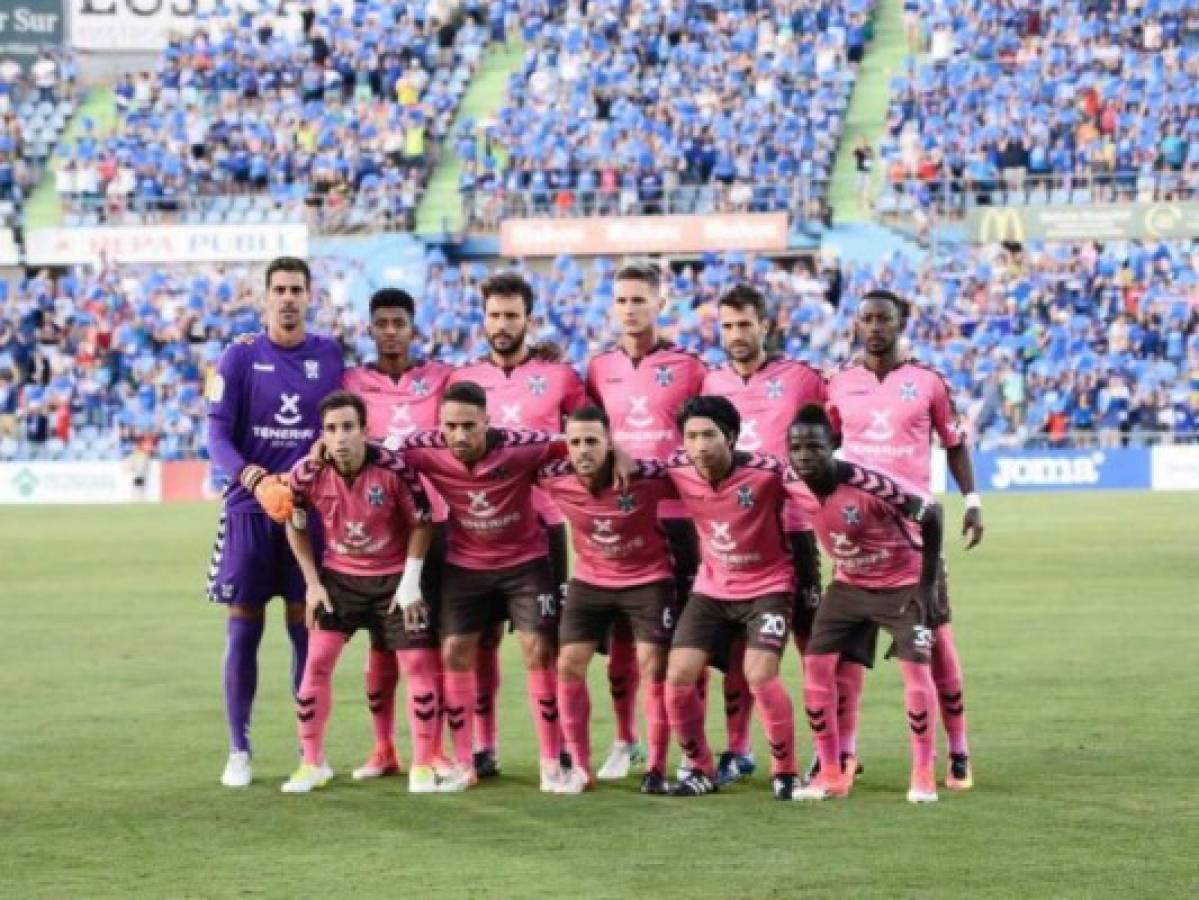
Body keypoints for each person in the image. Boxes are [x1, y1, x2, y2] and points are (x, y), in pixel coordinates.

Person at [826, 289, 983, 791]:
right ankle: (845, 755)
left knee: (937, 644)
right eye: (867, 319)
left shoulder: (928, 381)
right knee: (851, 654)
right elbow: (823, 447)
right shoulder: (839, 383)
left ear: (901, 323)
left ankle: (957, 752)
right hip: (855, 538)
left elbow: (955, 444)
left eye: (883, 319)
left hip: (917, 540)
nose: (874, 327)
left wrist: (973, 501)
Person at [205, 256, 344, 788]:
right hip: (249, 507)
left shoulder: (328, 355)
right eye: (279, 289)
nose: (288, 297)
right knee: (243, 624)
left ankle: (310, 750)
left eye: (297, 289)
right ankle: (238, 749)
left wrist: (305, 472)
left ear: (310, 296)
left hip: (308, 510)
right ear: (264, 297)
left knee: (304, 625)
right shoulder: (238, 357)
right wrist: (256, 479)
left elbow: (345, 417)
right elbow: (217, 435)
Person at [393, 381, 569, 791]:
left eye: (469, 426)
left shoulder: (523, 444)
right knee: (454, 651)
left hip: (526, 563)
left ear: (488, 422)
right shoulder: (422, 447)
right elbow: (378, 453)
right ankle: (464, 763)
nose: (459, 435)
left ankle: (550, 762)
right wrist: (320, 451)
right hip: (465, 565)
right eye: (450, 426)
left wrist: (619, 452)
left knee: (538, 649)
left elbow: (576, 443)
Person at [449, 271, 587, 778]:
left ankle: (558, 751)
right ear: (483, 318)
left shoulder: (561, 377)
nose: (502, 324)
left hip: (543, 528)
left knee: (541, 644)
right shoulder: (461, 381)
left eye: (512, 315)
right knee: (479, 641)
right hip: (476, 531)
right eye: (494, 315)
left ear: (528, 319)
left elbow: (586, 437)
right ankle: (484, 748)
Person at [785, 404, 943, 804]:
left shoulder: (871, 484)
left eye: (814, 447)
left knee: (915, 671)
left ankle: (923, 771)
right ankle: (831, 773)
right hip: (848, 585)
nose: (804, 455)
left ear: (833, 445)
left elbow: (933, 514)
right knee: (816, 667)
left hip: (902, 583)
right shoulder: (789, 478)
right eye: (796, 447)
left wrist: (926, 588)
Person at [585, 260, 706, 781]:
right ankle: (625, 739)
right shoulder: (597, 368)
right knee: (618, 641)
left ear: (660, 304)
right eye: (622, 300)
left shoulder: (690, 367)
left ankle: (689, 743)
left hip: (678, 518)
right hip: (614, 519)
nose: (630, 309)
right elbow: (582, 430)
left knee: (684, 639)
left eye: (640, 299)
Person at [701, 284, 825, 785]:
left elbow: (833, 430)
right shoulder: (709, 382)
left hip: (792, 530)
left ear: (765, 325)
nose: (736, 335)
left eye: (745, 324)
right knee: (736, 648)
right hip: (730, 536)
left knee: (811, 643)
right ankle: (738, 748)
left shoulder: (801, 379)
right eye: (728, 326)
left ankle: (830, 749)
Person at [282, 391, 436, 793]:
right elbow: (294, 522)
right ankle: (312, 763)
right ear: (323, 434)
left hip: (392, 579)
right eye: (332, 429)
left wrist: (409, 583)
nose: (341, 437)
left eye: (349, 427)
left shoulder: (394, 469)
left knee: (417, 665)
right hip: (339, 581)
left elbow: (423, 522)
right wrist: (312, 584)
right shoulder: (306, 473)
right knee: (316, 663)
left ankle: (421, 765)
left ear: (366, 431)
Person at [662, 396, 800, 800]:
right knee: (678, 677)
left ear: (732, 437)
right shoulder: (677, 472)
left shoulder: (769, 473)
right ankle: (700, 768)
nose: (700, 445)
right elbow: (630, 469)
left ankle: (785, 772)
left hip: (769, 586)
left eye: (709, 435)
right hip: (712, 589)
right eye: (691, 437)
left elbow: (818, 483)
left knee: (759, 674)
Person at [341, 288, 454, 781]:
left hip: (432, 524)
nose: (390, 331)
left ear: (413, 328)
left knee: (432, 641)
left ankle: (436, 750)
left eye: (398, 323)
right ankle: (384, 748)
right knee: (381, 643)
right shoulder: (351, 381)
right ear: (370, 328)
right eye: (381, 322)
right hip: (375, 530)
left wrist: (540, 353)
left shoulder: (443, 377)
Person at [538, 406, 677, 795]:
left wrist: (623, 454)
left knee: (653, 668)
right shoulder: (554, 477)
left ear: (609, 441)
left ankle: (655, 766)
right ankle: (580, 767)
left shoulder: (644, 476)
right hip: (591, 580)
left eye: (593, 441)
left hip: (649, 578)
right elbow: (520, 449)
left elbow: (690, 473)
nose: (583, 450)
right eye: (575, 442)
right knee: (567, 665)